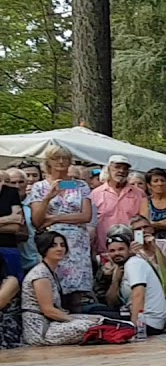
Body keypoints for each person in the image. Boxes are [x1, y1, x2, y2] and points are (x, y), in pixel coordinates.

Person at [28, 146, 94, 307]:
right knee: (54, 286)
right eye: (56, 158)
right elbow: (37, 220)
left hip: (77, 243)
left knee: (78, 294)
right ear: (48, 162)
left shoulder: (78, 185)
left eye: (65, 158)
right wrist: (47, 198)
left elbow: (86, 216)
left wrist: (54, 218)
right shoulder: (40, 187)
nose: (61, 161)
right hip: (52, 242)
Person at [19, 231, 102, 346]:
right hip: (41, 330)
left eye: (62, 245)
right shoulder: (40, 274)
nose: (59, 249)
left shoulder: (51, 272)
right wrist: (74, 320)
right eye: (53, 245)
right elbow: (48, 310)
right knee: (88, 325)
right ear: (44, 248)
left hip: (52, 323)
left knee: (98, 319)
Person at [102, 226, 166, 340]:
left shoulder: (134, 263)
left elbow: (138, 295)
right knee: (93, 310)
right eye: (112, 251)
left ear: (129, 250)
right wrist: (116, 280)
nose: (117, 253)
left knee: (92, 317)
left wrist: (134, 328)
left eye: (121, 249)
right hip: (136, 316)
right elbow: (111, 302)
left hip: (149, 322)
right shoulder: (121, 267)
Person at [88, 155, 146, 257]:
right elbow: (91, 224)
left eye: (125, 168)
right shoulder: (95, 194)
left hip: (133, 251)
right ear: (108, 169)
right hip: (104, 252)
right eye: (117, 167)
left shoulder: (139, 194)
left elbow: (143, 222)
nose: (121, 171)